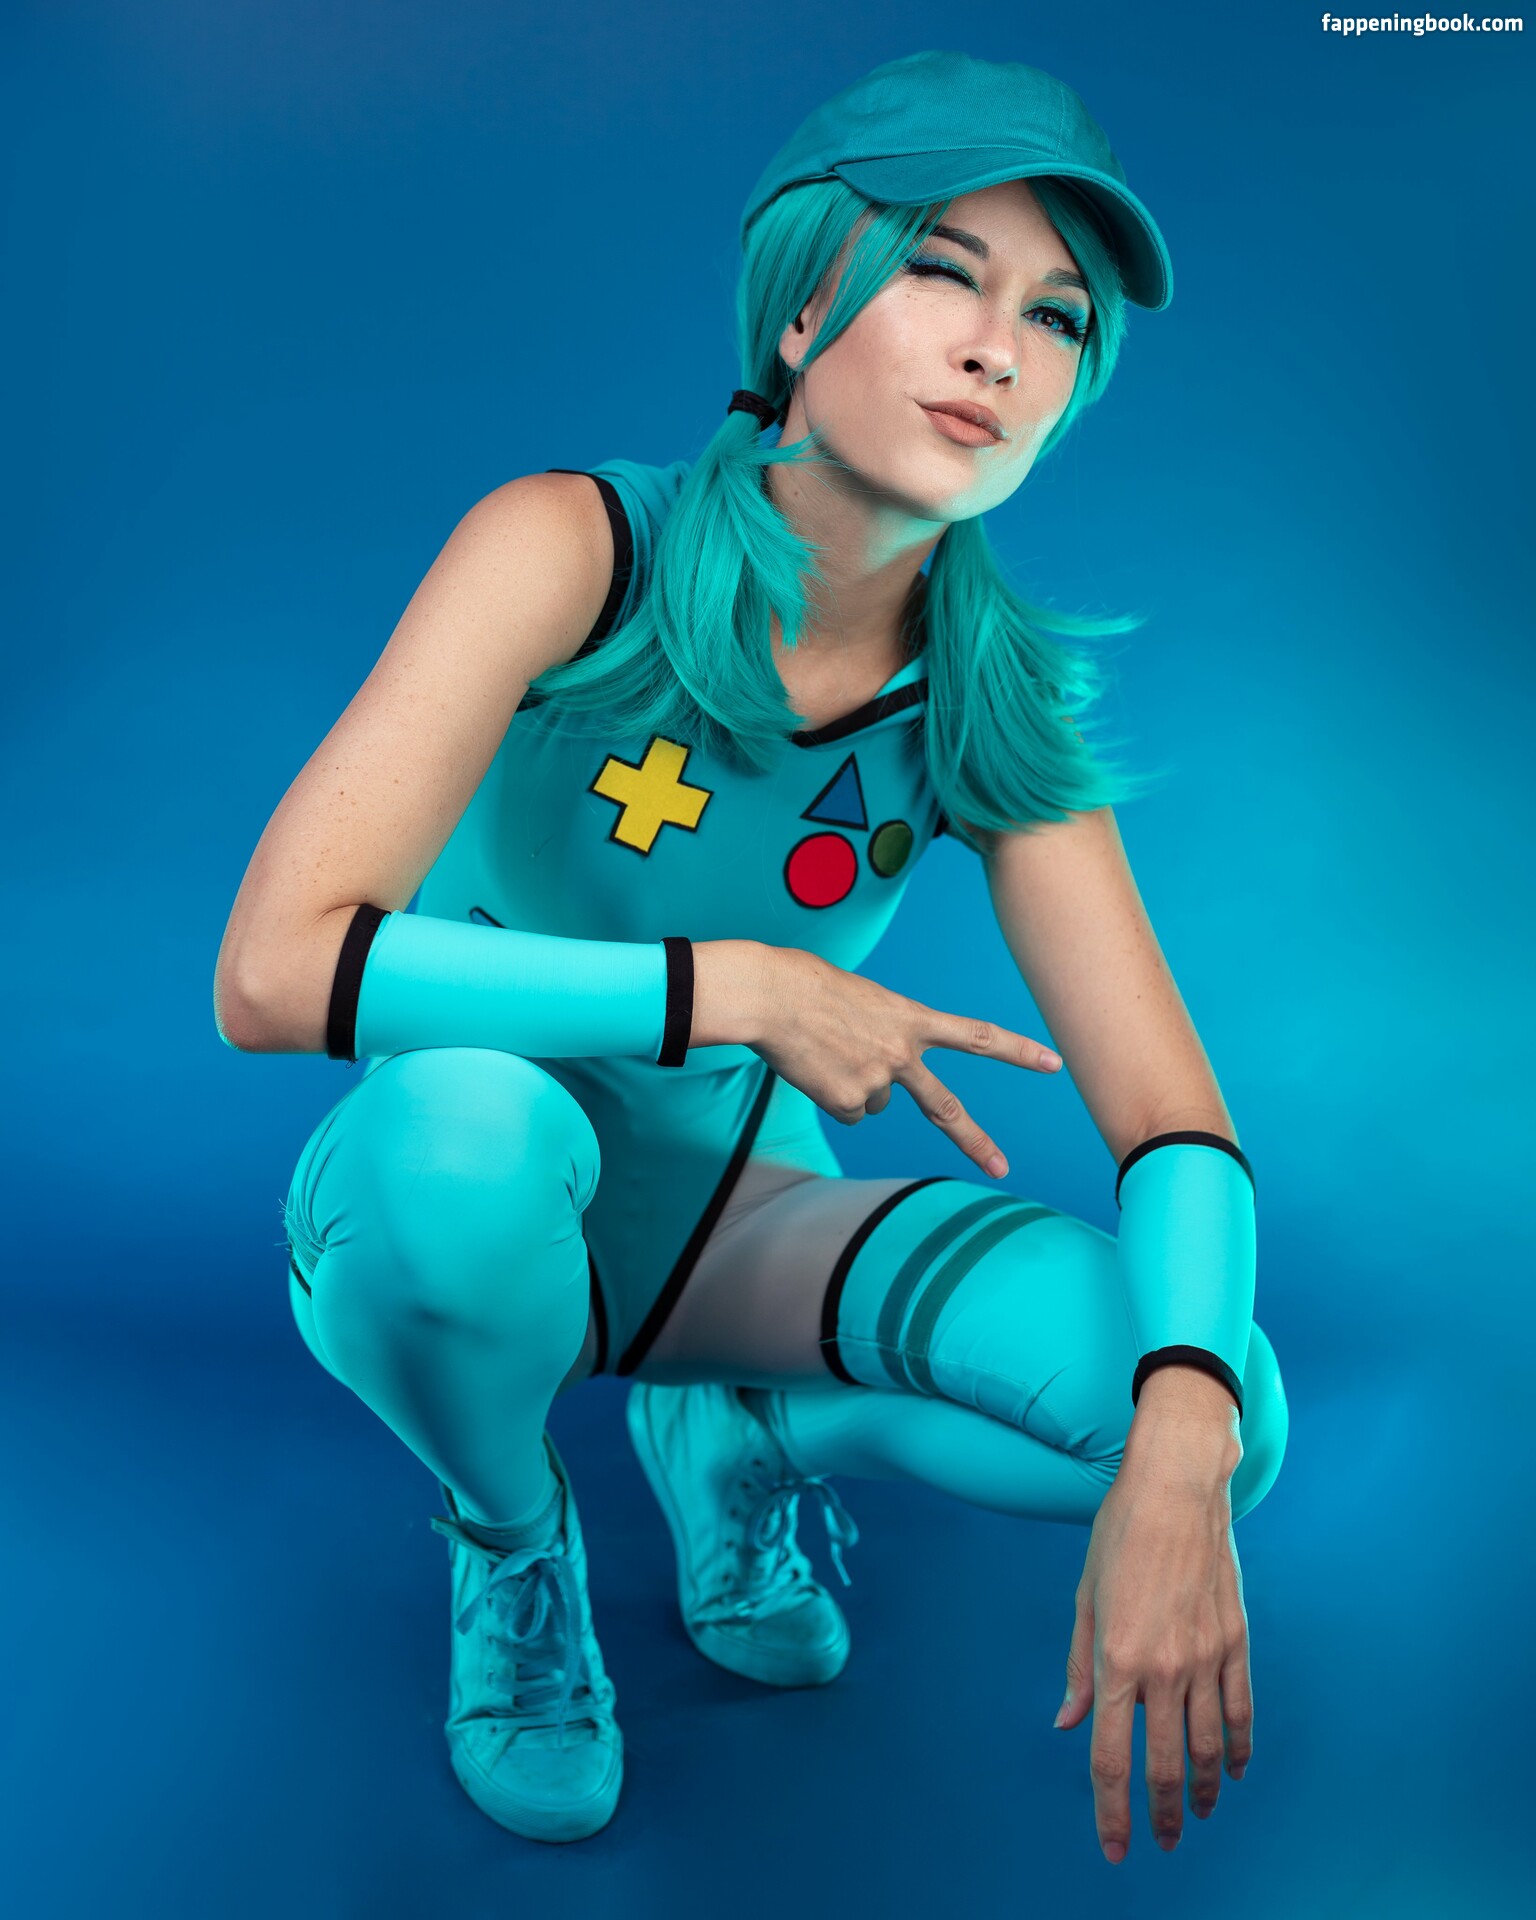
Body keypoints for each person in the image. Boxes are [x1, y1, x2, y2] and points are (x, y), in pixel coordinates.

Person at [214, 49, 1289, 1862]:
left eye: (1058, 317)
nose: (1000, 350)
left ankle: (744, 1440)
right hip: (457, 1186)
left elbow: (1176, 1124)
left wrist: (1182, 1449)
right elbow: (274, 972)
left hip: (734, 1226)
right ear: (801, 308)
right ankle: (512, 1539)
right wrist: (734, 988)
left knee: (1225, 1395)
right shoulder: (576, 545)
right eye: (942, 269)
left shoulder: (989, 698)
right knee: (463, 1139)